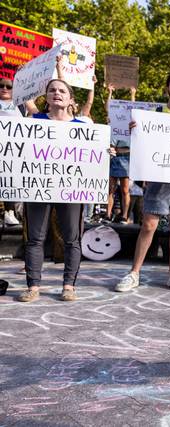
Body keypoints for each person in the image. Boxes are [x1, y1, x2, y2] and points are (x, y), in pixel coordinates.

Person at [18, 79, 113, 302]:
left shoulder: (83, 127)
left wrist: (106, 152)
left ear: (71, 99)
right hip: (38, 187)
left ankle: (69, 286)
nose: (57, 93)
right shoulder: (33, 122)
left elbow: (93, 156)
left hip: (72, 189)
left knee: (72, 239)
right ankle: (33, 286)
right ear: (46, 97)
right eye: (52, 90)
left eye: (62, 91)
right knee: (35, 238)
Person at [115, 72, 170, 293]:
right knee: (149, 224)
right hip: (160, 177)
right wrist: (135, 131)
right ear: (167, 89)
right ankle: (134, 273)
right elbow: (143, 144)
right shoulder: (154, 115)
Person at [104, 84, 136, 224]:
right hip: (113, 156)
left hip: (126, 157)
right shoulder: (113, 122)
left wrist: (132, 94)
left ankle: (124, 215)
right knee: (110, 188)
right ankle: (107, 214)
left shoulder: (130, 122)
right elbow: (108, 108)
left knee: (124, 190)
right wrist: (110, 92)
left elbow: (133, 109)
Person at [0, 77, 22, 226]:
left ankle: (10, 212)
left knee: (9, 180)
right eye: (1, 86)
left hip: (12, 151)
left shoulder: (20, 106)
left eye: (9, 86)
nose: (5, 89)